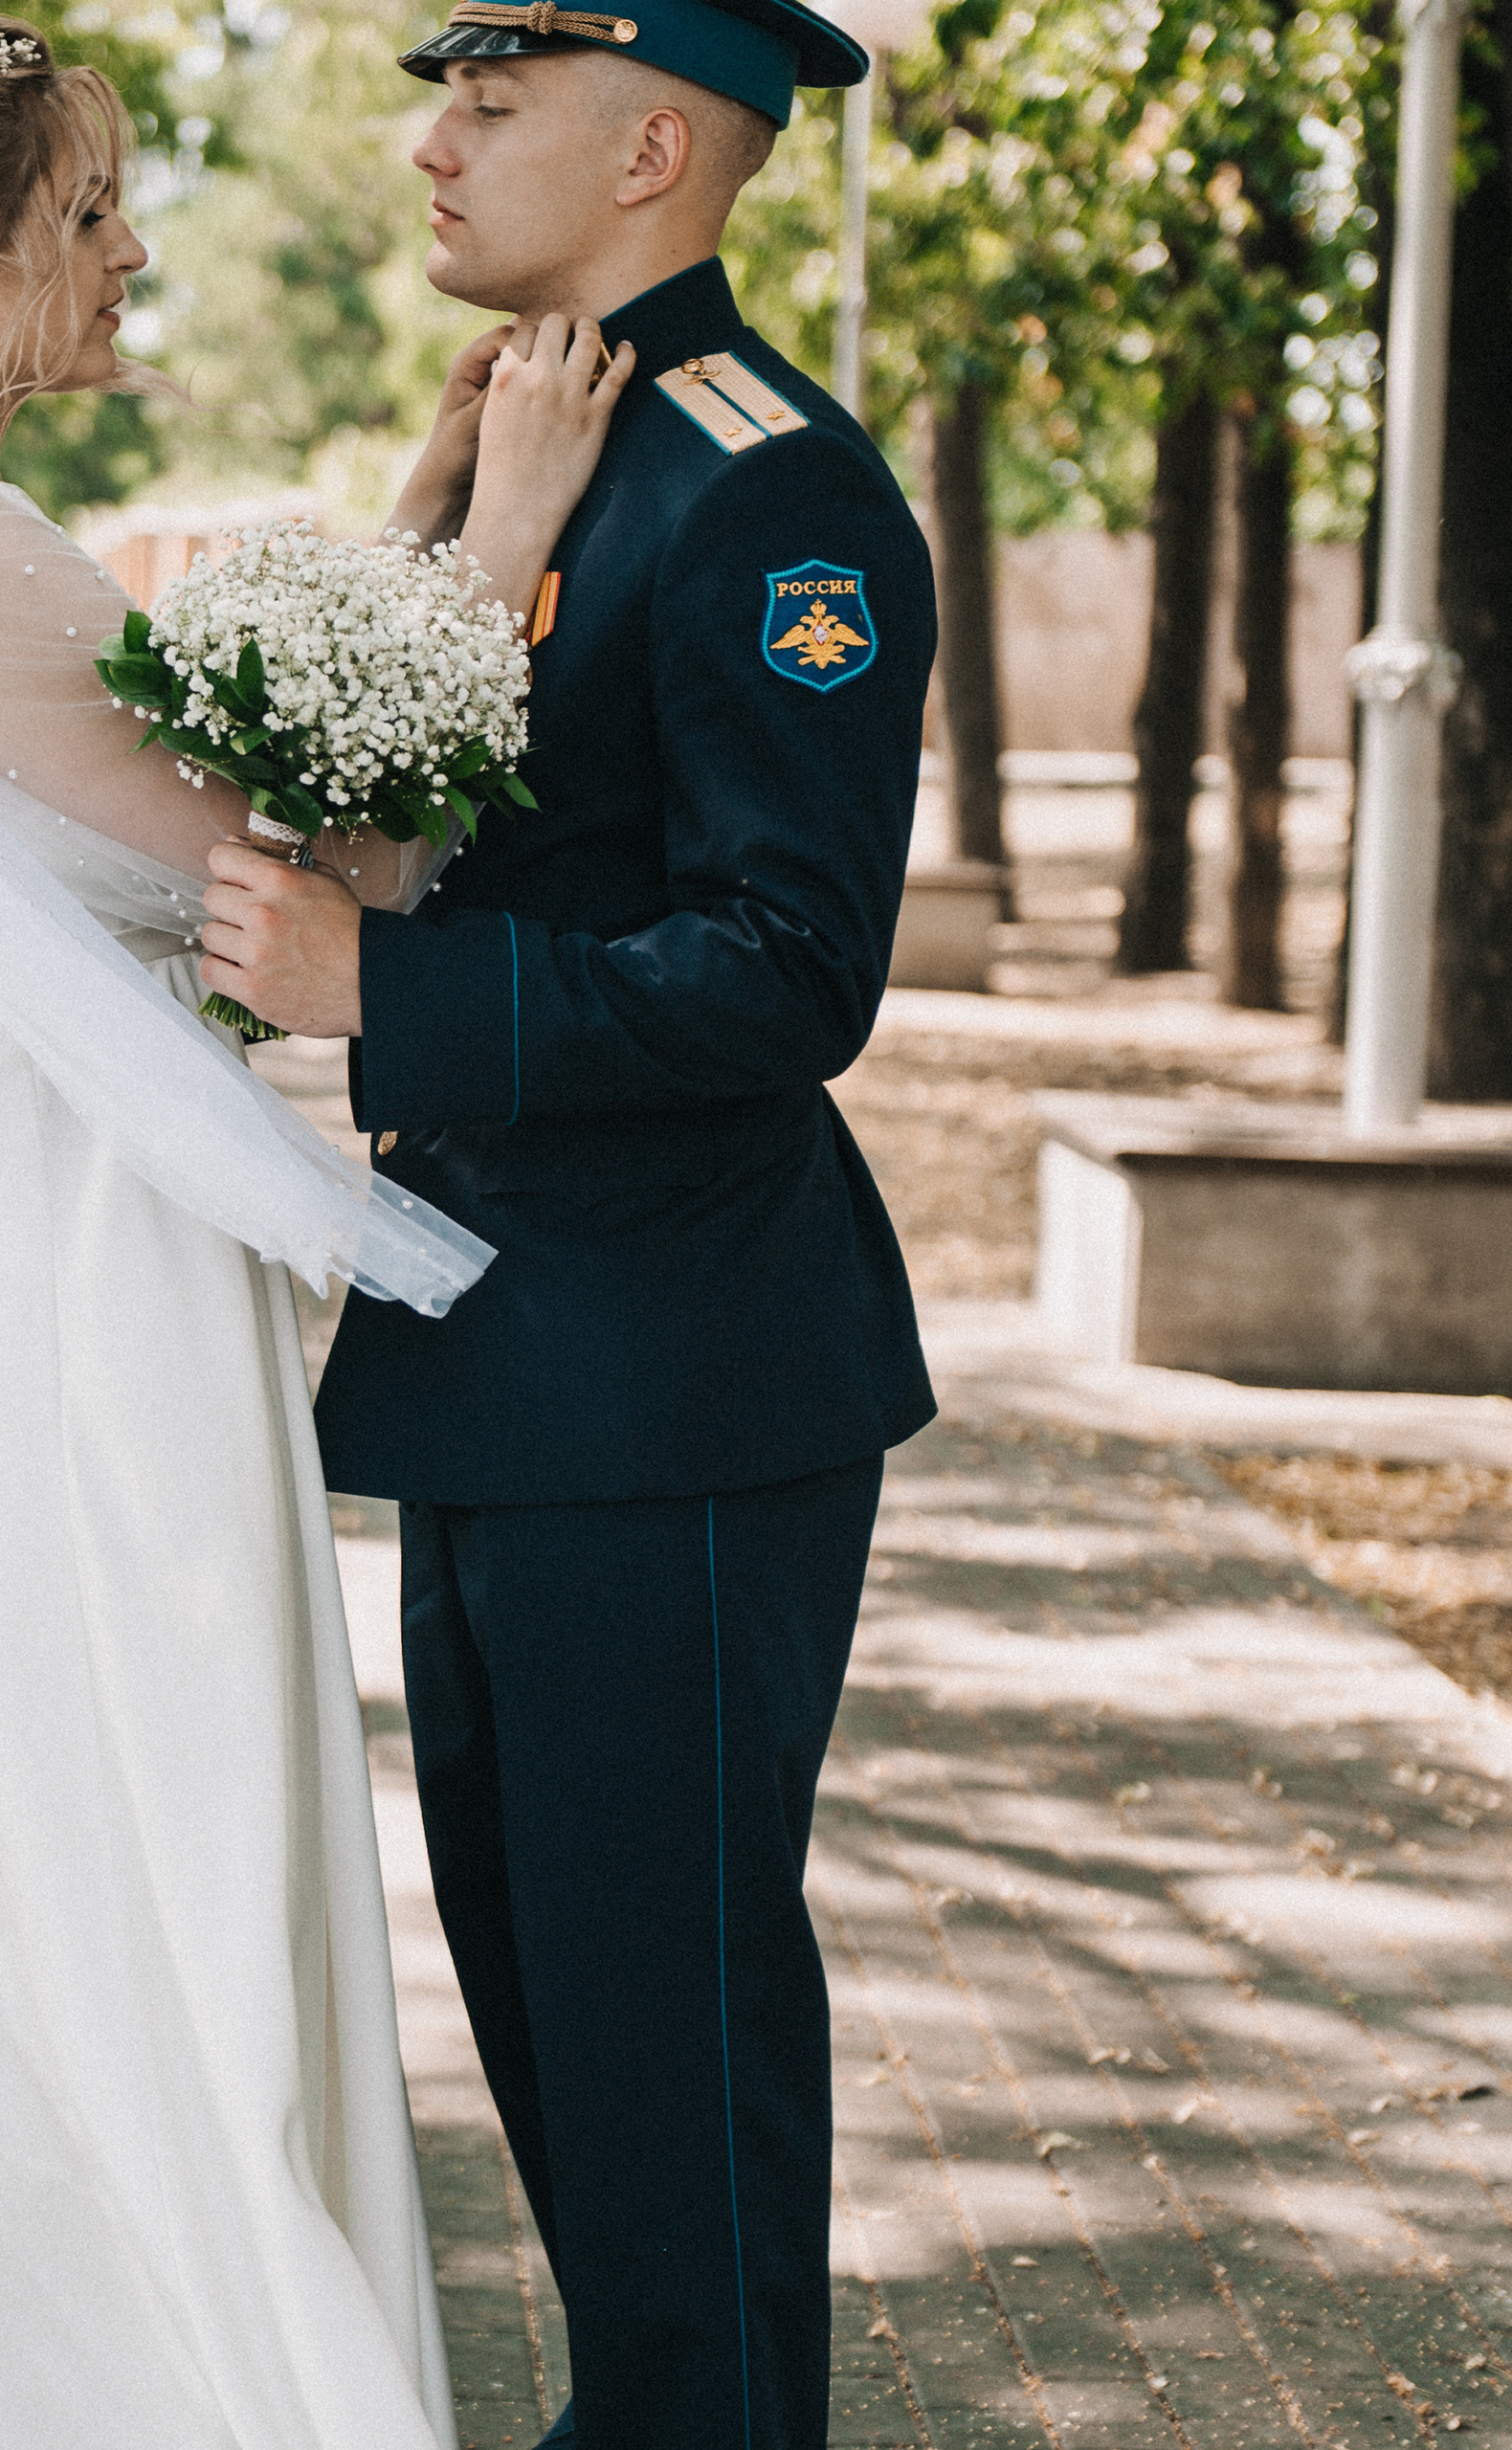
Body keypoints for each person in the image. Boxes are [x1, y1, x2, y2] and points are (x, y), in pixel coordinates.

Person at [0, 15, 628, 2443]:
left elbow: (229, 812)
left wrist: (408, 516)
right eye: (85, 212)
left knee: (39, 1833)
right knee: (104, 1837)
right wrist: (499, 542)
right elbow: (314, 877)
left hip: (4, 1220)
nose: (124, 253)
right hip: (41, 1268)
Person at [198, 3, 938, 2444]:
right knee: (543, 1988)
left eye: (489, 106)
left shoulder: (765, 490)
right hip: (512, 1350)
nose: (430, 146)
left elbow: (788, 965)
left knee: (662, 2010)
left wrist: (384, 989)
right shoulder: (534, 447)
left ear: (649, 151)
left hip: (681, 1370)